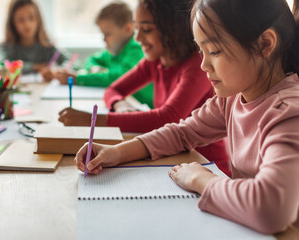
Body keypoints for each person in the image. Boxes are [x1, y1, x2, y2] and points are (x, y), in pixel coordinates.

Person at [75, 0, 299, 234]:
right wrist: (117, 151)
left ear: (265, 44)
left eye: (214, 51)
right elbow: (182, 133)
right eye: (201, 51)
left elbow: (272, 210)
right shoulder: (232, 99)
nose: (203, 65)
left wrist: (201, 180)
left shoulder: (288, 113)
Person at [59, 0, 230, 175]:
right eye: (136, 28)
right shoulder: (155, 61)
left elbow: (168, 117)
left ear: (173, 30)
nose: (137, 38)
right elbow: (113, 90)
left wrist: (94, 119)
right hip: (173, 161)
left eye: (147, 29)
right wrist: (120, 105)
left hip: (208, 166)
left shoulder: (197, 65)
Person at [54, 1, 153, 107]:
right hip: (126, 105)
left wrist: (78, 79)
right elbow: (91, 60)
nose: (104, 39)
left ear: (128, 29)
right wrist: (95, 68)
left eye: (107, 34)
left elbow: (118, 78)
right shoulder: (114, 52)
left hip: (146, 109)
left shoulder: (136, 49)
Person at [0, 0, 67, 81]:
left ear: (38, 19)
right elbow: (1, 67)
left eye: (31, 17)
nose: (27, 24)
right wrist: (35, 67)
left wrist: (56, 72)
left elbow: (74, 63)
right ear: (12, 23)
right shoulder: (7, 47)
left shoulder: (48, 46)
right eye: (20, 20)